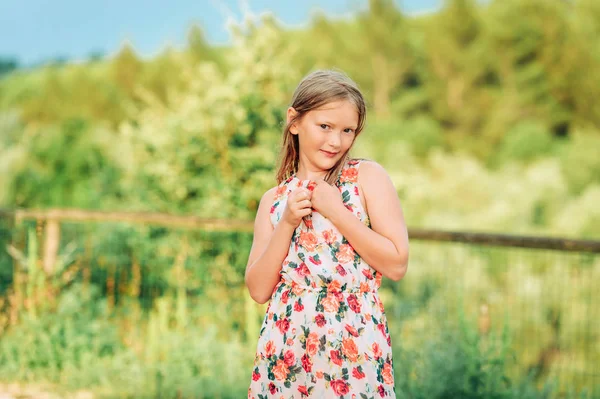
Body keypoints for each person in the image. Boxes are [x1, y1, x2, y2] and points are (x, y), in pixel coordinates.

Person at [245, 69, 409, 397]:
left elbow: (396, 264)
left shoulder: (367, 177)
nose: (336, 141)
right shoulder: (274, 202)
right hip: (287, 348)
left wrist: (336, 210)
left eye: (348, 130)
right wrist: (288, 222)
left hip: (355, 345)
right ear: (294, 121)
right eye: (325, 127)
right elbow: (258, 289)